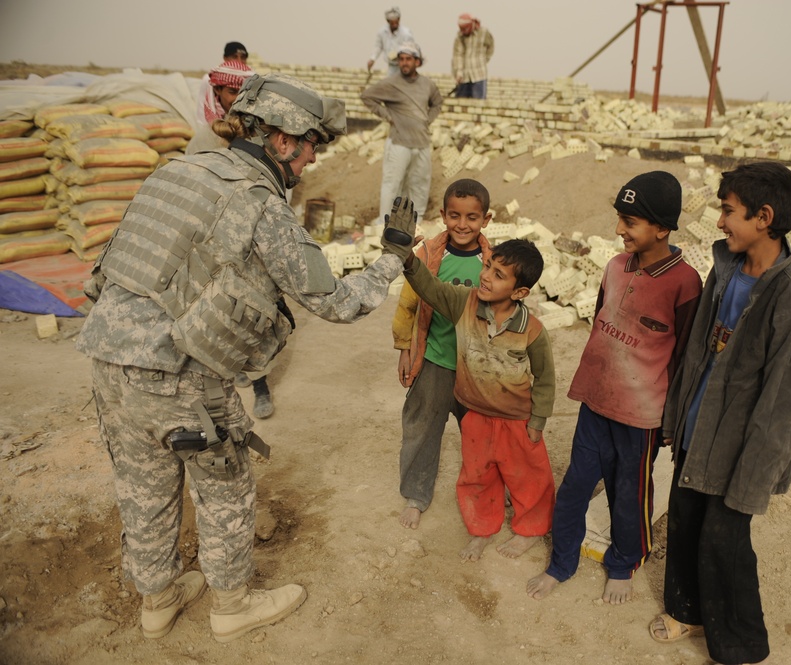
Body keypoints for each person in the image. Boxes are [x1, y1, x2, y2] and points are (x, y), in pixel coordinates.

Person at [76, 73, 418, 644]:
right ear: (283, 139)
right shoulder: (261, 204)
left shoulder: (174, 172)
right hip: (179, 378)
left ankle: (157, 600)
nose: (312, 159)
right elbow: (333, 302)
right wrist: (391, 259)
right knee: (225, 489)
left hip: (107, 360)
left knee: (143, 486)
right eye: (312, 145)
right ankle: (231, 607)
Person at [648, 161, 791, 665]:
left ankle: (740, 645)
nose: (721, 221)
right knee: (685, 523)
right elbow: (697, 354)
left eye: (728, 211)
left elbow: (786, 405)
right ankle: (686, 611)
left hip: (737, 451)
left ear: (764, 217)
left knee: (724, 541)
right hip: (696, 431)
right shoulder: (726, 270)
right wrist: (674, 420)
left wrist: (754, 478)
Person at [527, 172, 702, 605]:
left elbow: (684, 360)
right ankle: (561, 563)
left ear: (662, 228)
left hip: (641, 418)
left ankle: (623, 563)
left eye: (630, 221)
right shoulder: (614, 266)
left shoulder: (685, 283)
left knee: (629, 494)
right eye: (619, 218)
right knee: (574, 488)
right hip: (596, 403)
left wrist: (673, 420)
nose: (619, 230)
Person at [400, 238, 556, 562]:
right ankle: (481, 531)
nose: (485, 276)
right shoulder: (464, 303)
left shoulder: (533, 331)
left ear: (519, 292)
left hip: (516, 418)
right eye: (488, 267)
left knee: (527, 478)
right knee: (476, 476)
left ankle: (530, 530)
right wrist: (407, 259)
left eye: (499, 274)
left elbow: (545, 378)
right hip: (476, 416)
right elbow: (429, 288)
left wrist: (538, 421)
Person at [392, 178, 493, 529]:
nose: (462, 225)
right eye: (454, 215)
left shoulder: (493, 261)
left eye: (471, 218)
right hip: (434, 360)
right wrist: (405, 347)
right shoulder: (430, 255)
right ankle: (416, 495)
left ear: (486, 220)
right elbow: (407, 304)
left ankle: (485, 495)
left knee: (482, 436)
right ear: (443, 215)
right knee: (422, 427)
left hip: (474, 368)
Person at [361, 42, 443, 223]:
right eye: (401, 59)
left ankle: (416, 221)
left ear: (417, 62)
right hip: (399, 143)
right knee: (392, 184)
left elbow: (437, 103)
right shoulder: (391, 83)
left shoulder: (427, 84)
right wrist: (388, 115)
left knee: (419, 184)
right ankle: (385, 222)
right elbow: (367, 96)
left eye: (408, 59)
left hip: (421, 143)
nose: (404, 63)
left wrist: (427, 120)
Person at [187, 58, 255, 153]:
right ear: (217, 90)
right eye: (232, 92)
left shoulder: (256, 128)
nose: (238, 98)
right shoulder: (206, 136)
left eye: (243, 93)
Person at [452, 13, 494, 99]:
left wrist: (484, 60)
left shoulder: (483, 33)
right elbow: (458, 55)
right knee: (460, 101)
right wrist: (459, 72)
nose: (463, 31)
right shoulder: (459, 37)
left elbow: (490, 47)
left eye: (465, 29)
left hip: (479, 74)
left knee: (479, 103)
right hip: (464, 75)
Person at [368, 6, 416, 78]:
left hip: (403, 65)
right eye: (392, 22)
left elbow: (409, 50)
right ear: (388, 21)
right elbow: (378, 46)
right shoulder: (382, 32)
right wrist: (372, 58)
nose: (394, 24)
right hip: (391, 65)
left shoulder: (406, 33)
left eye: (396, 22)